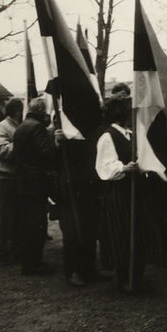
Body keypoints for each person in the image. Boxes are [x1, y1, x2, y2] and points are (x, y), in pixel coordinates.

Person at [95, 96, 162, 293]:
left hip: (137, 190)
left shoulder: (131, 135)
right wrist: (123, 168)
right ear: (122, 115)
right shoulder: (108, 137)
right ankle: (125, 279)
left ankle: (137, 276)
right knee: (122, 234)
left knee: (138, 231)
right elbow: (104, 166)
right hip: (120, 192)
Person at [53, 121, 105, 287]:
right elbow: (50, 158)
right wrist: (56, 142)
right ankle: (73, 271)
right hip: (70, 188)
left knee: (90, 229)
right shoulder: (62, 129)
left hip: (88, 186)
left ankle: (88, 268)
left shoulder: (91, 131)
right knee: (72, 231)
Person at [12, 97, 56, 275]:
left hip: (24, 181)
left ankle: (30, 261)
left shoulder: (22, 126)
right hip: (35, 182)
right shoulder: (37, 127)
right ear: (42, 110)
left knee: (28, 223)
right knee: (37, 225)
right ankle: (33, 265)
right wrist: (55, 145)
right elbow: (44, 154)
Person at [0, 98, 24, 265]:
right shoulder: (3, 127)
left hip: (11, 177)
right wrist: (21, 143)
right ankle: (3, 252)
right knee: (4, 217)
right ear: (17, 111)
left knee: (14, 216)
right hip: (4, 178)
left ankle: (13, 251)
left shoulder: (11, 127)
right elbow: (0, 150)